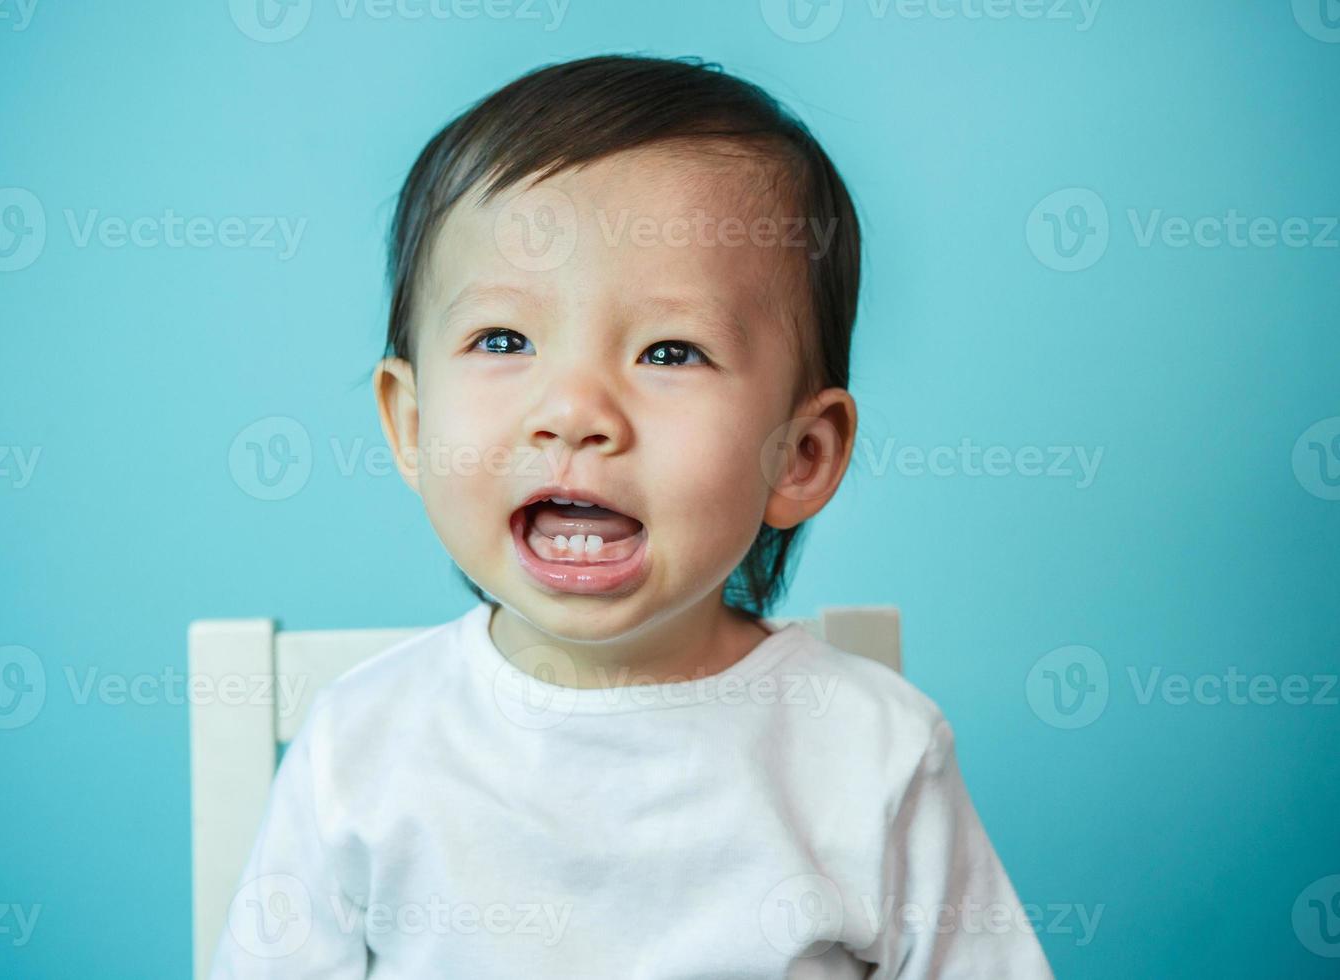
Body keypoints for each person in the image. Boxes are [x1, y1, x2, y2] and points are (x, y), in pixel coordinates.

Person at [210, 53, 1055, 978]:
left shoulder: (873, 752)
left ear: (801, 456)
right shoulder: (358, 751)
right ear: (412, 425)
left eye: (670, 351)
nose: (575, 410)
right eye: (504, 339)